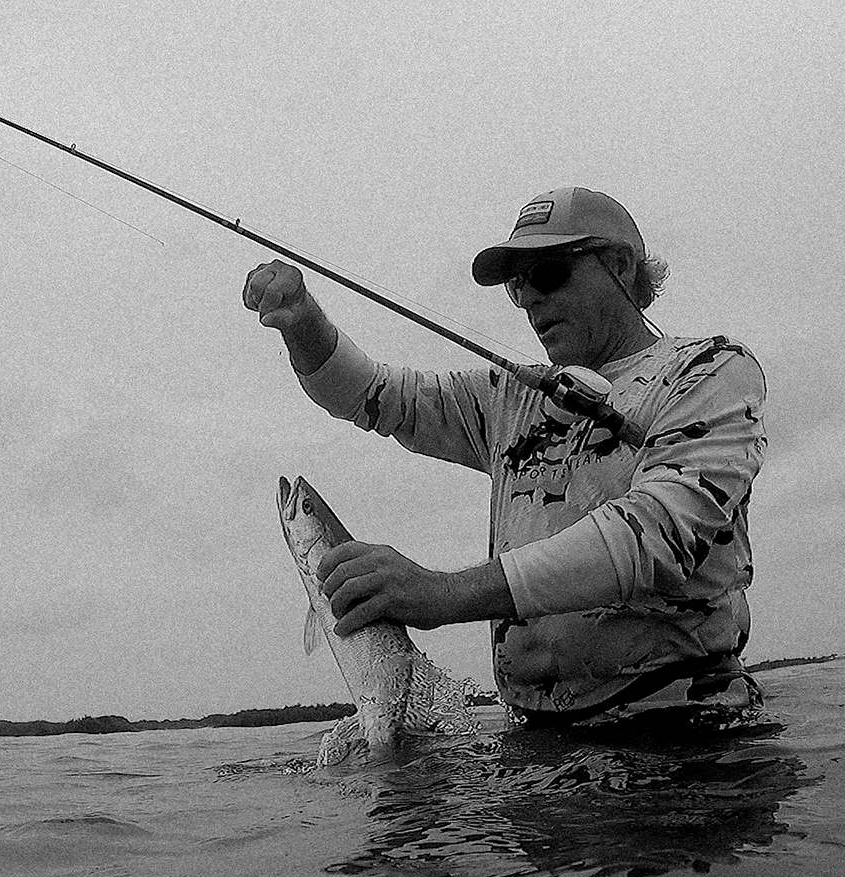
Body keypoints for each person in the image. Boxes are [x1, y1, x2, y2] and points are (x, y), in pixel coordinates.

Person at [242, 187, 767, 728]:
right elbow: (373, 395)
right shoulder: (509, 397)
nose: (530, 298)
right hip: (539, 739)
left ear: (621, 266)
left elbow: (655, 535)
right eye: (517, 286)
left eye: (547, 274)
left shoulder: (710, 372)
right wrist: (302, 323)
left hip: (688, 727)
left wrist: (442, 595)